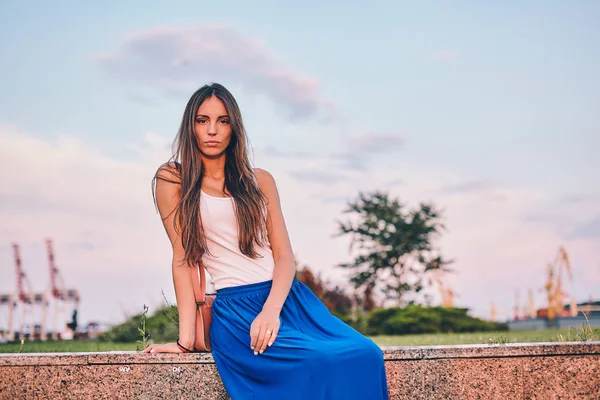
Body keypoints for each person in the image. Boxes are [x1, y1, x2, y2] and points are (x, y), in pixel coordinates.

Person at [143, 83, 389, 399]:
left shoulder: (260, 180)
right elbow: (182, 258)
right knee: (319, 360)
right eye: (202, 120)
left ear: (235, 128)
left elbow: (285, 257)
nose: (213, 130)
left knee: (366, 353)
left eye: (223, 120)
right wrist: (184, 342)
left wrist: (272, 310)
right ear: (190, 126)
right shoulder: (173, 179)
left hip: (287, 301)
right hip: (235, 310)